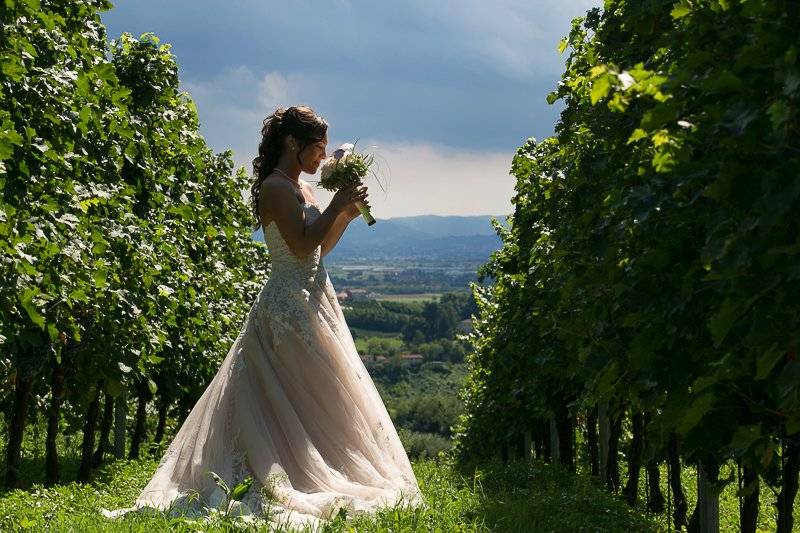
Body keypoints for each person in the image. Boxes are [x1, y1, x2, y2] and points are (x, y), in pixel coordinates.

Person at [103, 106, 426, 529]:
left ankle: (313, 466)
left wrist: (344, 213)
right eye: (318, 147)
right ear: (292, 143)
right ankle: (283, 473)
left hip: (313, 298)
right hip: (286, 308)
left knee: (313, 395)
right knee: (283, 394)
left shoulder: (301, 188)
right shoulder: (276, 188)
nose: (323, 157)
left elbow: (318, 249)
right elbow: (298, 245)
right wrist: (337, 203)